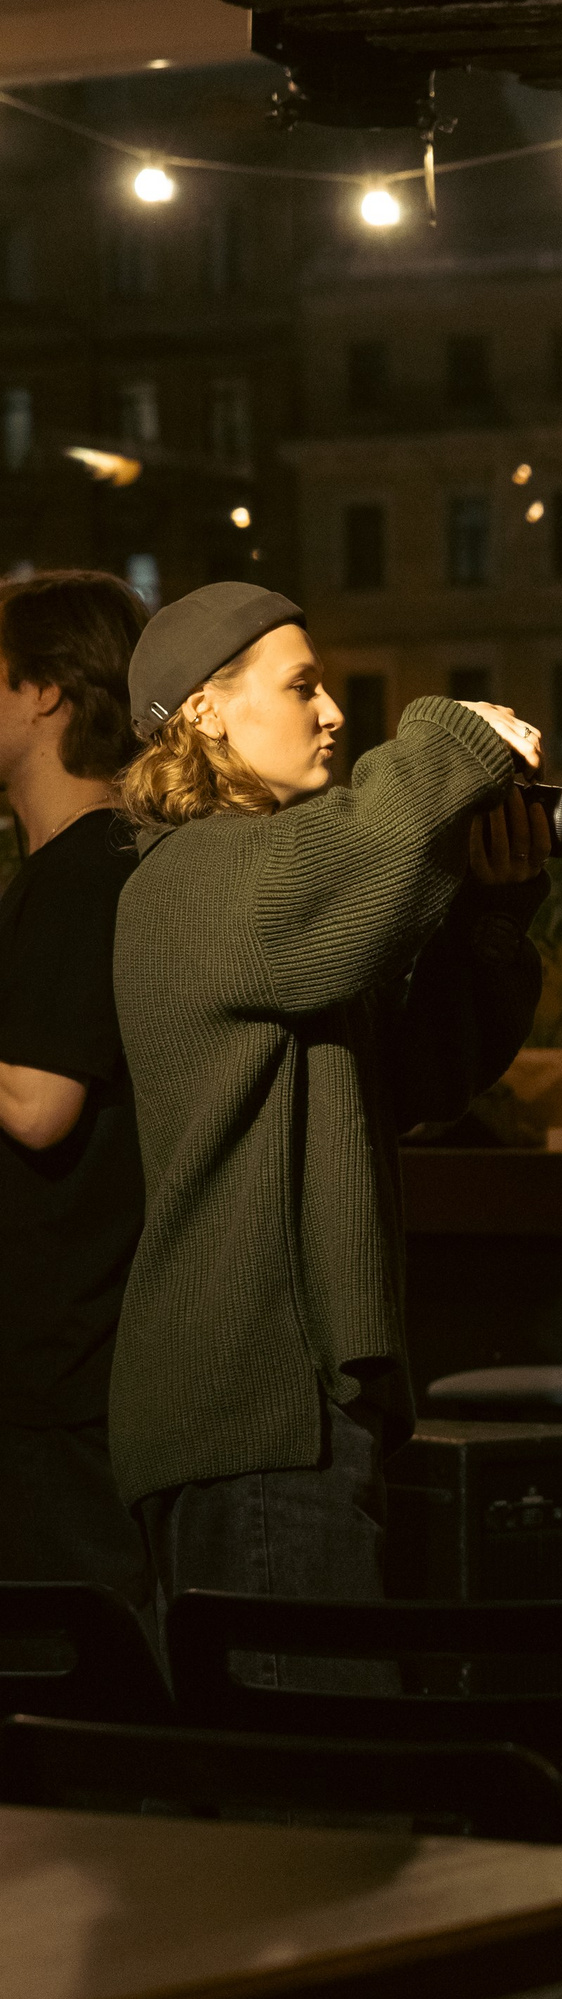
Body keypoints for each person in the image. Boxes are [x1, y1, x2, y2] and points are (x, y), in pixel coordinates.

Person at [110, 582, 552, 1665]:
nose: (333, 711)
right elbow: (359, 856)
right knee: (313, 1755)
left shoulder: (270, 903)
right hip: (251, 1408)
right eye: (301, 686)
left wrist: (491, 918)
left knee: (305, 1753)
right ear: (206, 711)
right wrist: (452, 737)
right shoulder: (193, 877)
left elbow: (413, 1079)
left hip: (294, 1409)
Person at [0, 570, 149, 1603]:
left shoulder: (85, 870)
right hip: (68, 1364)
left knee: (78, 1666)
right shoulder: (85, 866)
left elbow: (37, 1105)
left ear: (46, 690)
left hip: (61, 1370)